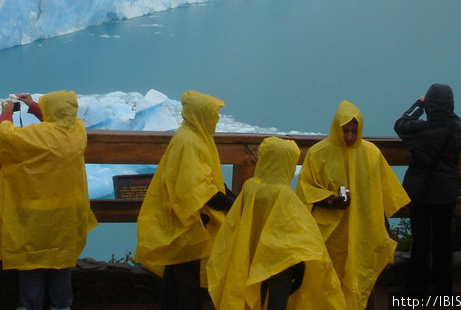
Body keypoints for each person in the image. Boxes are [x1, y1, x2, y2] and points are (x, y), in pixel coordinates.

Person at [0, 90, 97, 310]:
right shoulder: (77, 131)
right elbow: (61, 122)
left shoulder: (35, 136)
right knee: (60, 259)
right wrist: (35, 107)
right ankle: (62, 305)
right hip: (66, 210)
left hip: (34, 212)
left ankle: (31, 304)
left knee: (32, 260)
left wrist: (6, 114)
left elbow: (7, 136)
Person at [207, 136, 346, 310]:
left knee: (258, 295)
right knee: (276, 302)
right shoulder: (283, 195)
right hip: (281, 262)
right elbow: (302, 234)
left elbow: (236, 222)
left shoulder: (251, 187)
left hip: (252, 256)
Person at [296, 100, 409, 310]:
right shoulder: (319, 153)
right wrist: (330, 200)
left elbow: (386, 193)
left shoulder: (371, 154)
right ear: (337, 128)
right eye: (346, 131)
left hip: (364, 232)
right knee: (332, 283)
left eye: (354, 132)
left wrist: (383, 227)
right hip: (332, 236)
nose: (349, 136)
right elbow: (305, 189)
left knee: (364, 283)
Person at [134, 90, 234, 310]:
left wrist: (232, 197)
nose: (217, 118)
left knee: (176, 278)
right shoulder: (190, 142)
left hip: (183, 220)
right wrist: (233, 204)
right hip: (187, 223)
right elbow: (196, 189)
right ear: (201, 114)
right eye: (213, 113)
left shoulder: (195, 136)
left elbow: (208, 180)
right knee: (187, 283)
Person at [393, 83, 461, 295]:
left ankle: (416, 288)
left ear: (430, 106)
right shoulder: (458, 131)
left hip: (421, 192)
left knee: (421, 241)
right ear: (450, 105)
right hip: (447, 192)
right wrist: (446, 112)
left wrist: (419, 104)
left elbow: (400, 123)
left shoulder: (419, 131)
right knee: (443, 241)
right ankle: (443, 288)